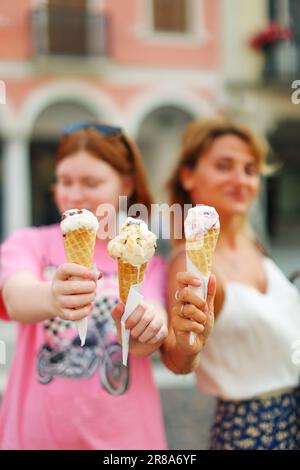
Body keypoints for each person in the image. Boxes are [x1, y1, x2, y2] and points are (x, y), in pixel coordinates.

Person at [0, 122, 171, 450]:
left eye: (91, 182)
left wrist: (146, 328)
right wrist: (52, 296)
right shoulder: (29, 243)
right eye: (65, 181)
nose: (74, 194)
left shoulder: (142, 254)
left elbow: (150, 330)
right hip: (35, 439)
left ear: (126, 185)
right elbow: (16, 297)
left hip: (125, 443)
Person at [165, 117, 300, 450]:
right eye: (224, 166)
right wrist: (188, 345)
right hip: (251, 431)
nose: (241, 179)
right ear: (188, 175)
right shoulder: (191, 262)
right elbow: (178, 356)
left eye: (250, 170)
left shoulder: (254, 246)